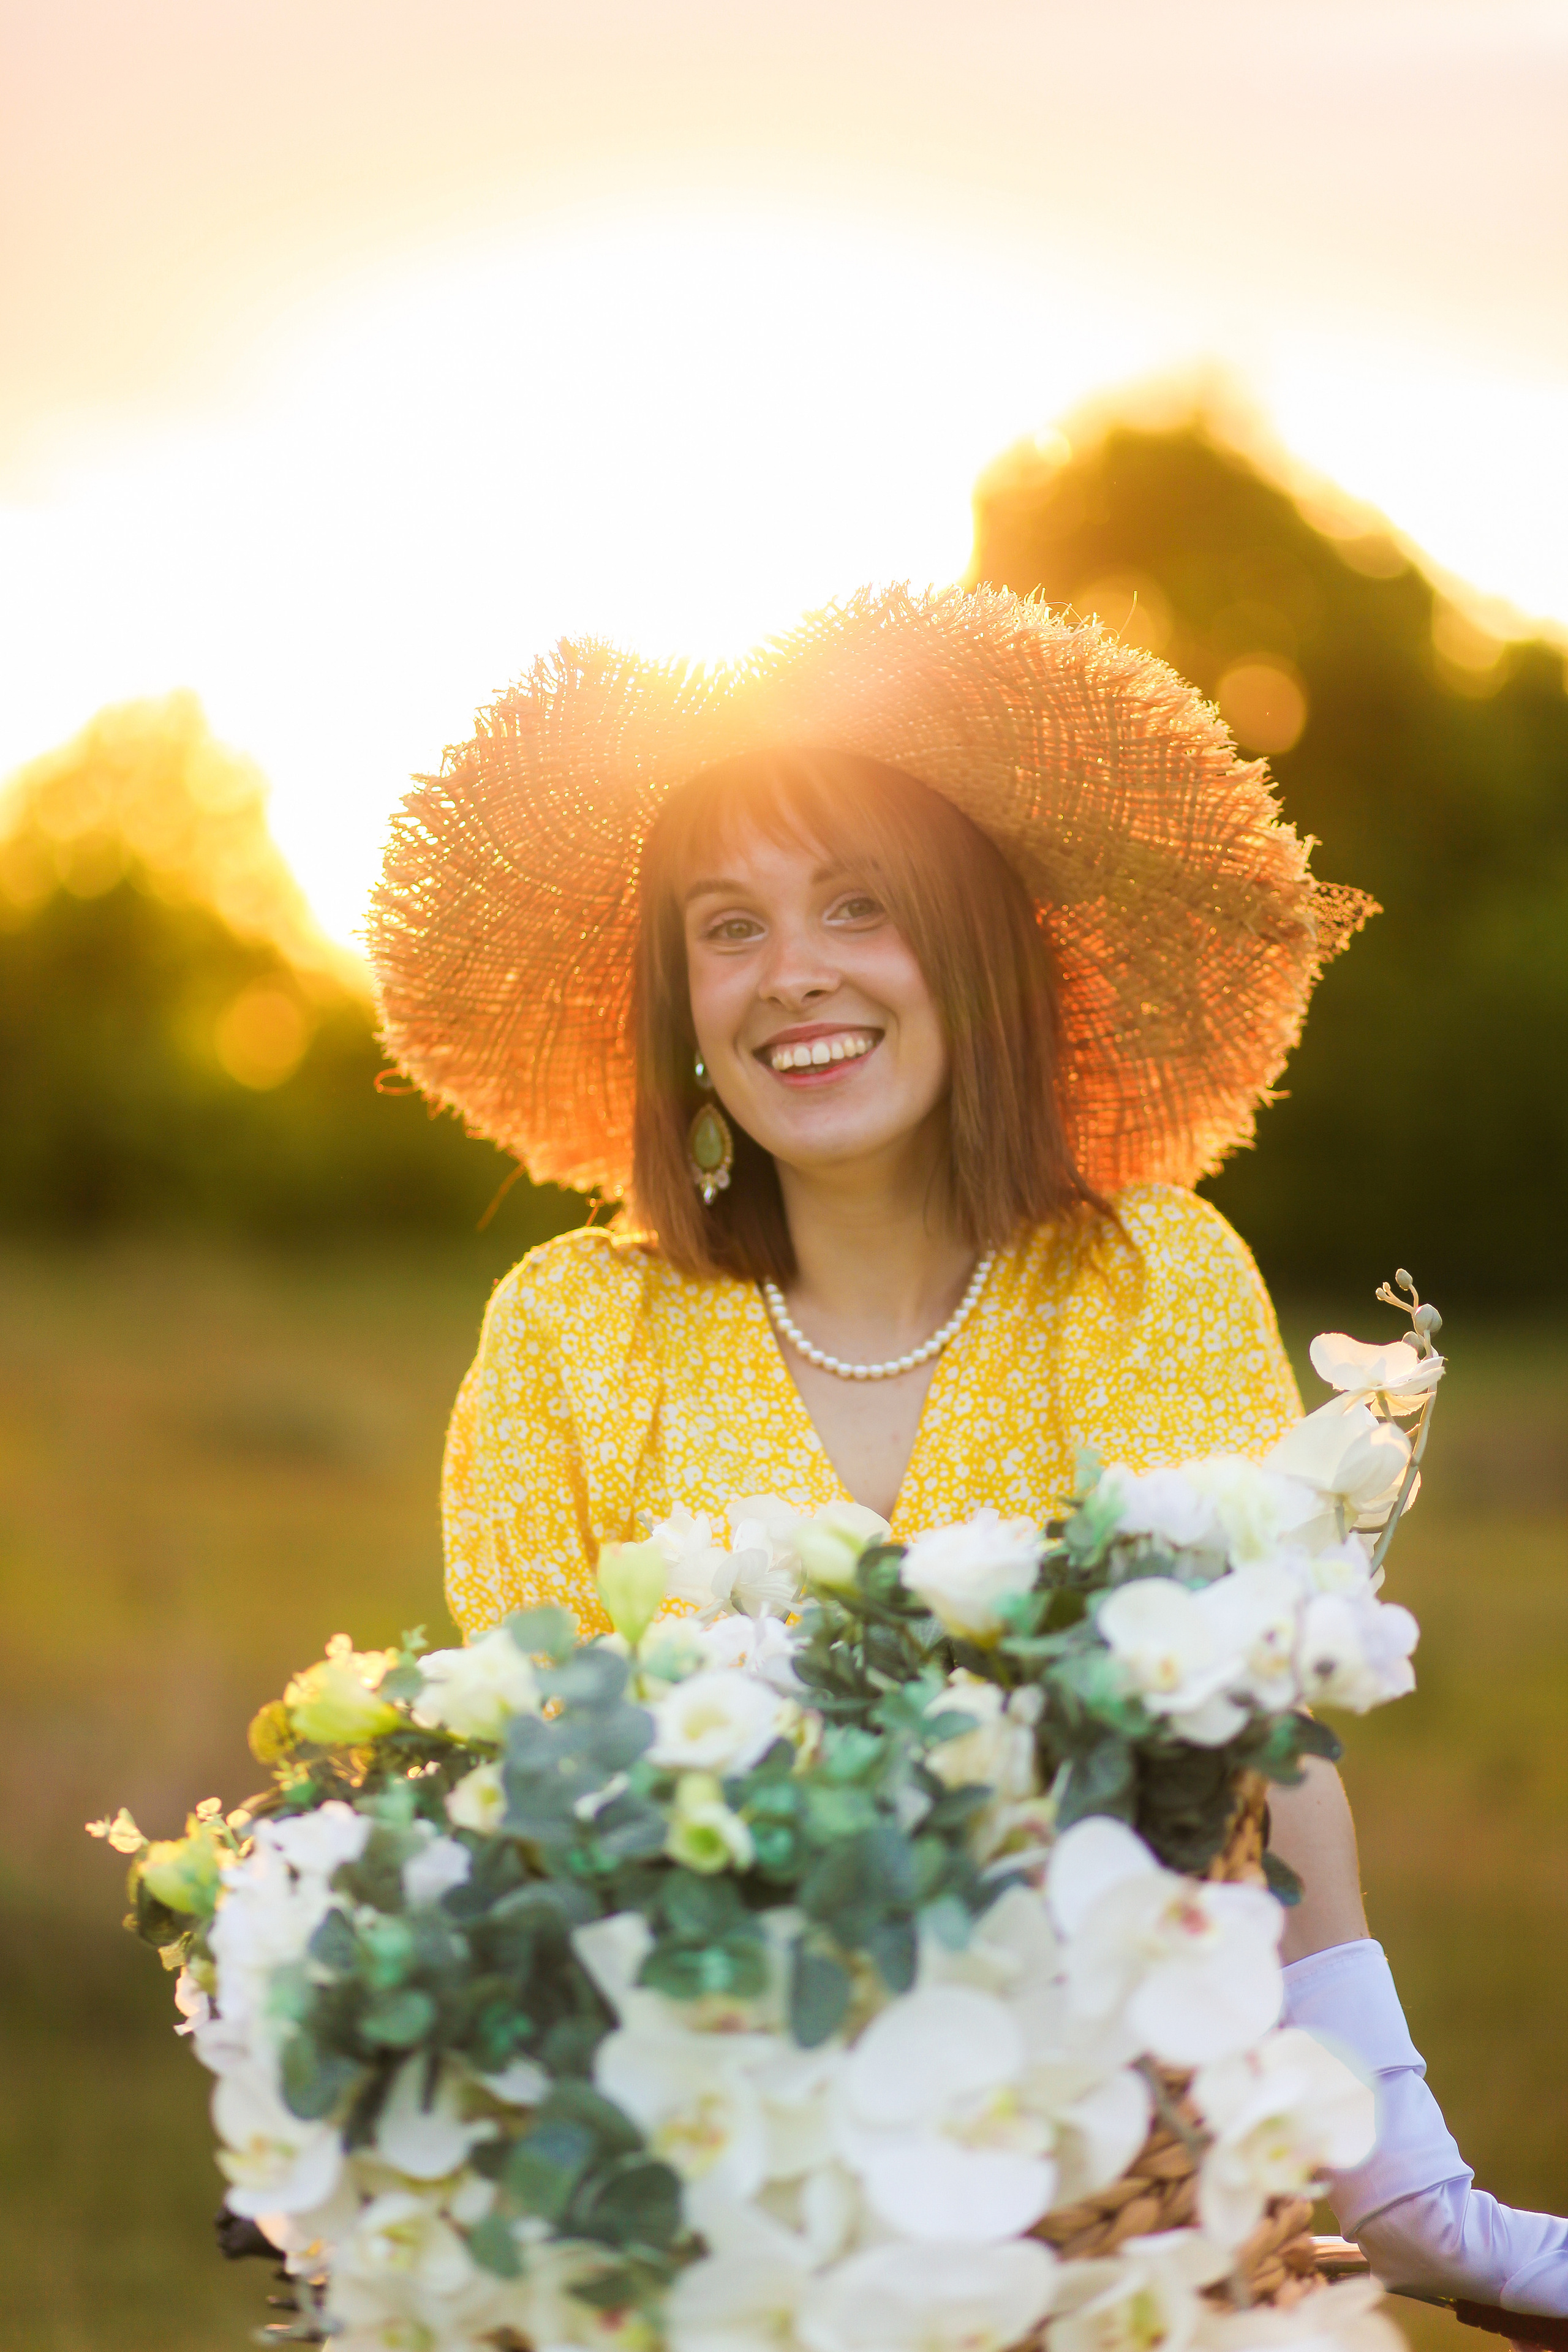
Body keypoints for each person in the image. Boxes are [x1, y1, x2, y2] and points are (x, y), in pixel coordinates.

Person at [370, 584, 1567, 2317]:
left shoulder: (1148, 1278)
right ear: (680, 1002)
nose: (795, 976)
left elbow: (1253, 1752)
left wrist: (1395, 2177)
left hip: (1121, 2208)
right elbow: (523, 1812)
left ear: (972, 949)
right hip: (722, 2228)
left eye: (860, 905)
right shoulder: (568, 1332)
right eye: (729, 924)